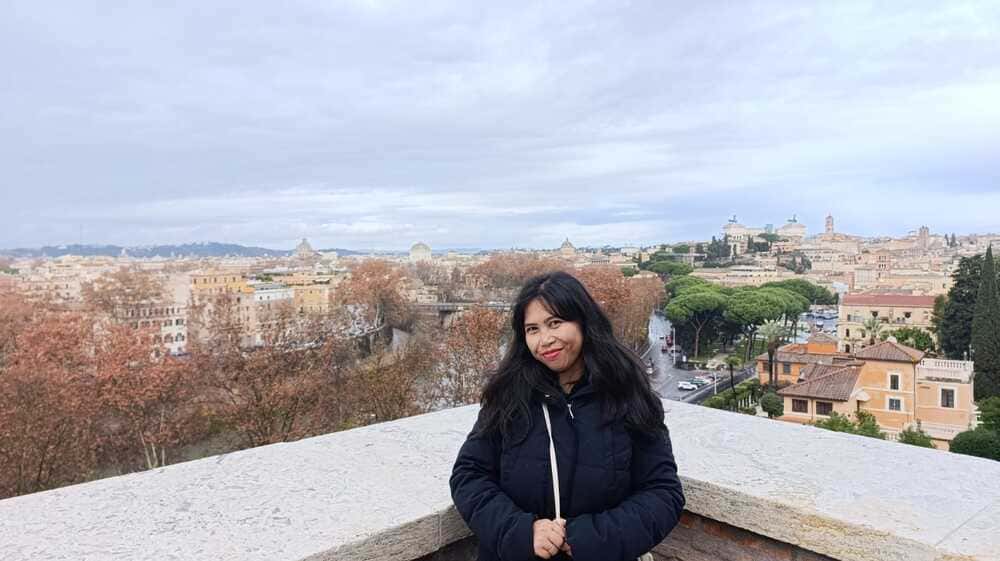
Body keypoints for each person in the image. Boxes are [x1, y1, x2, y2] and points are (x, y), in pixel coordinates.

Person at [450, 271, 685, 561]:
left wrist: (592, 539)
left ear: (584, 322)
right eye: (532, 329)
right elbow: (468, 476)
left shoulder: (629, 396)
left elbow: (663, 493)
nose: (544, 340)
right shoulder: (508, 397)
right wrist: (521, 532)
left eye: (555, 323)